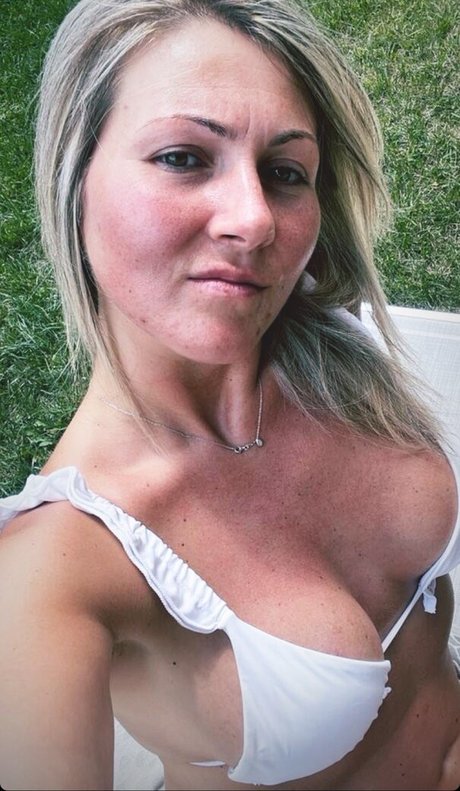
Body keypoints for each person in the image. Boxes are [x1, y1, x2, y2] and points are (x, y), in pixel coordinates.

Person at [0, 0, 459, 788]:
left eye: (285, 172)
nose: (255, 221)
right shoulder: (56, 567)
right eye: (183, 157)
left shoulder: (335, 344)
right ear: (76, 182)